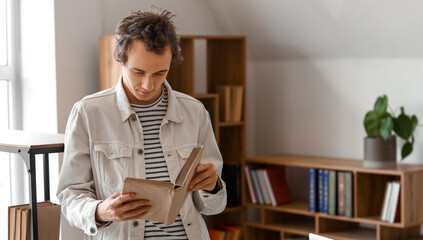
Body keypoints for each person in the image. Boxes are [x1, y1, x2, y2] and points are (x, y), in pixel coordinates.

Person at [57, 9, 226, 240]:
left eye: (160, 73)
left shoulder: (195, 112)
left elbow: (214, 206)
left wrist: (213, 186)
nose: (149, 84)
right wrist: (100, 211)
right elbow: (69, 196)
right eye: (138, 72)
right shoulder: (88, 113)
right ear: (120, 59)